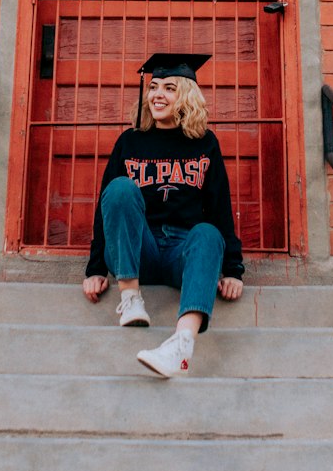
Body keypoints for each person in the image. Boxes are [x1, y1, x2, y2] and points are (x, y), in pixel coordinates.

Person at [82, 52, 244, 377]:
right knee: (119, 189)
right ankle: (130, 299)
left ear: (185, 95)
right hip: (138, 250)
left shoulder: (204, 144)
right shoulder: (130, 141)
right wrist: (96, 267)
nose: (158, 95)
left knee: (208, 232)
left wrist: (233, 270)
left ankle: (181, 344)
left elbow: (219, 207)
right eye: (154, 87)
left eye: (169, 88)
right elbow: (107, 209)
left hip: (180, 254)